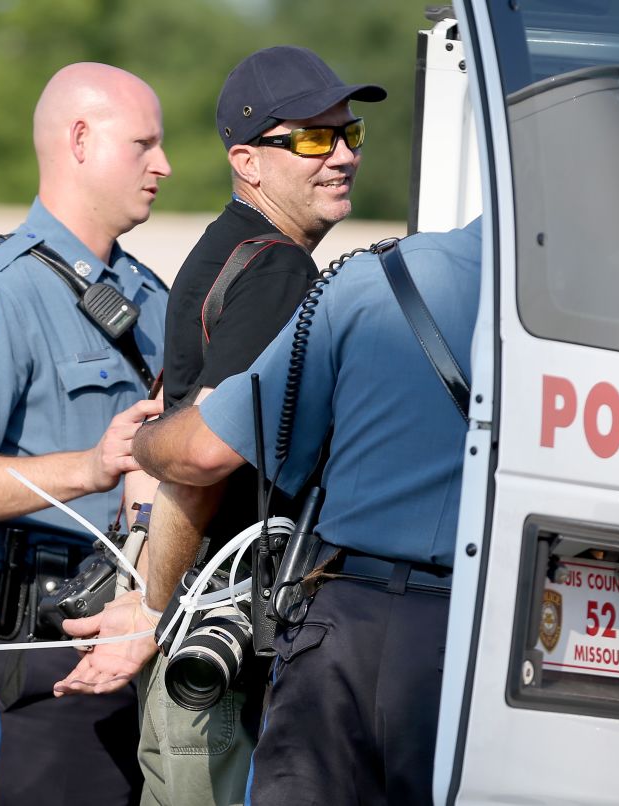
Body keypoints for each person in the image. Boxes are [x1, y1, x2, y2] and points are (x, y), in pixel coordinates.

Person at [53, 46, 386, 806]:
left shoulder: (228, 249)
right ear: (248, 160)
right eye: (310, 139)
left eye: (350, 134)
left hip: (204, 621)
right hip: (221, 635)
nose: (340, 156)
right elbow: (204, 457)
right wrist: (153, 606)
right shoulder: (276, 273)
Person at [132, 217, 482, 804]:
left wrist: (145, 440)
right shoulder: (616, 314)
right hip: (478, 635)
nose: (343, 156)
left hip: (343, 629)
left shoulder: (376, 277)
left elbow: (201, 453)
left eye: (351, 136)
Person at [0, 62, 170, 805]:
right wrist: (90, 466)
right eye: (144, 144)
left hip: (140, 647)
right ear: (80, 141)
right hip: (38, 660)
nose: (165, 165)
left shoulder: (155, 300)